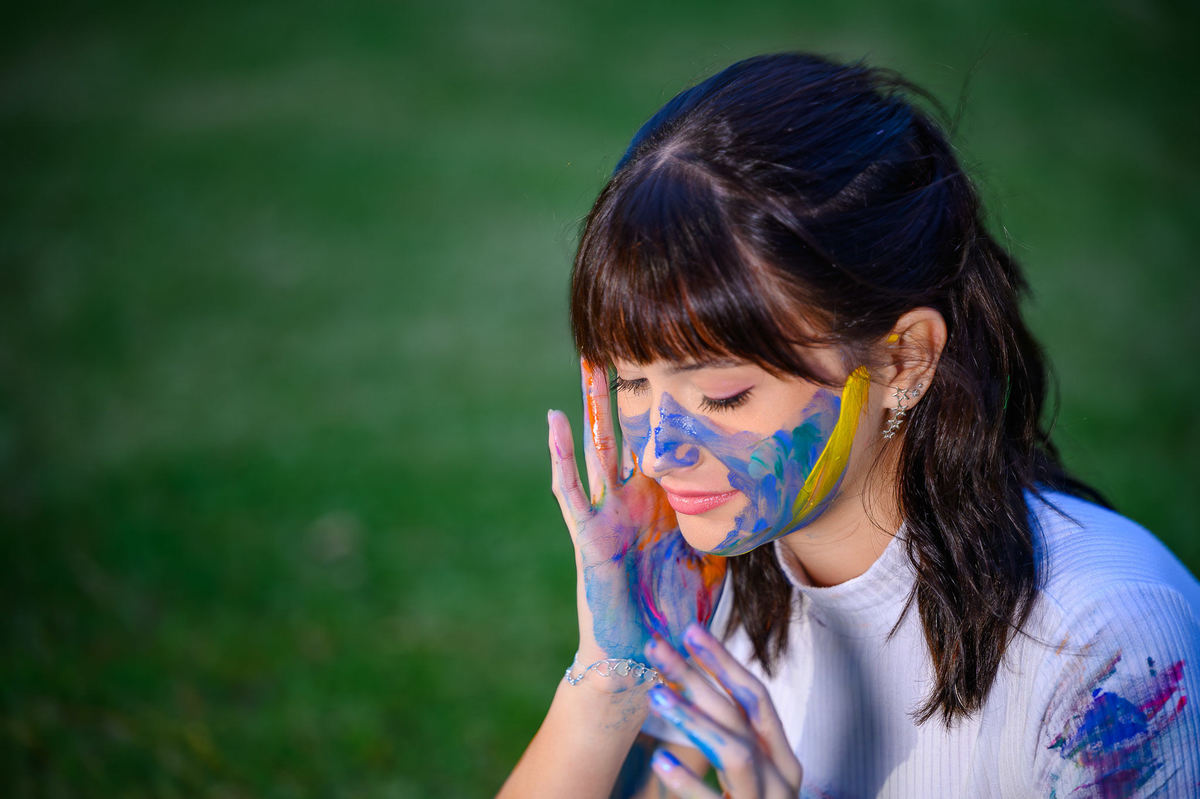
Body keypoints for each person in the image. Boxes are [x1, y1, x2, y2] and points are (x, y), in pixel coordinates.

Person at [499, 52, 1200, 798]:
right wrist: (611, 677)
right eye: (633, 382)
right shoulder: (713, 582)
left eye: (726, 395)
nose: (659, 452)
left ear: (904, 359)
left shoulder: (1106, 646)